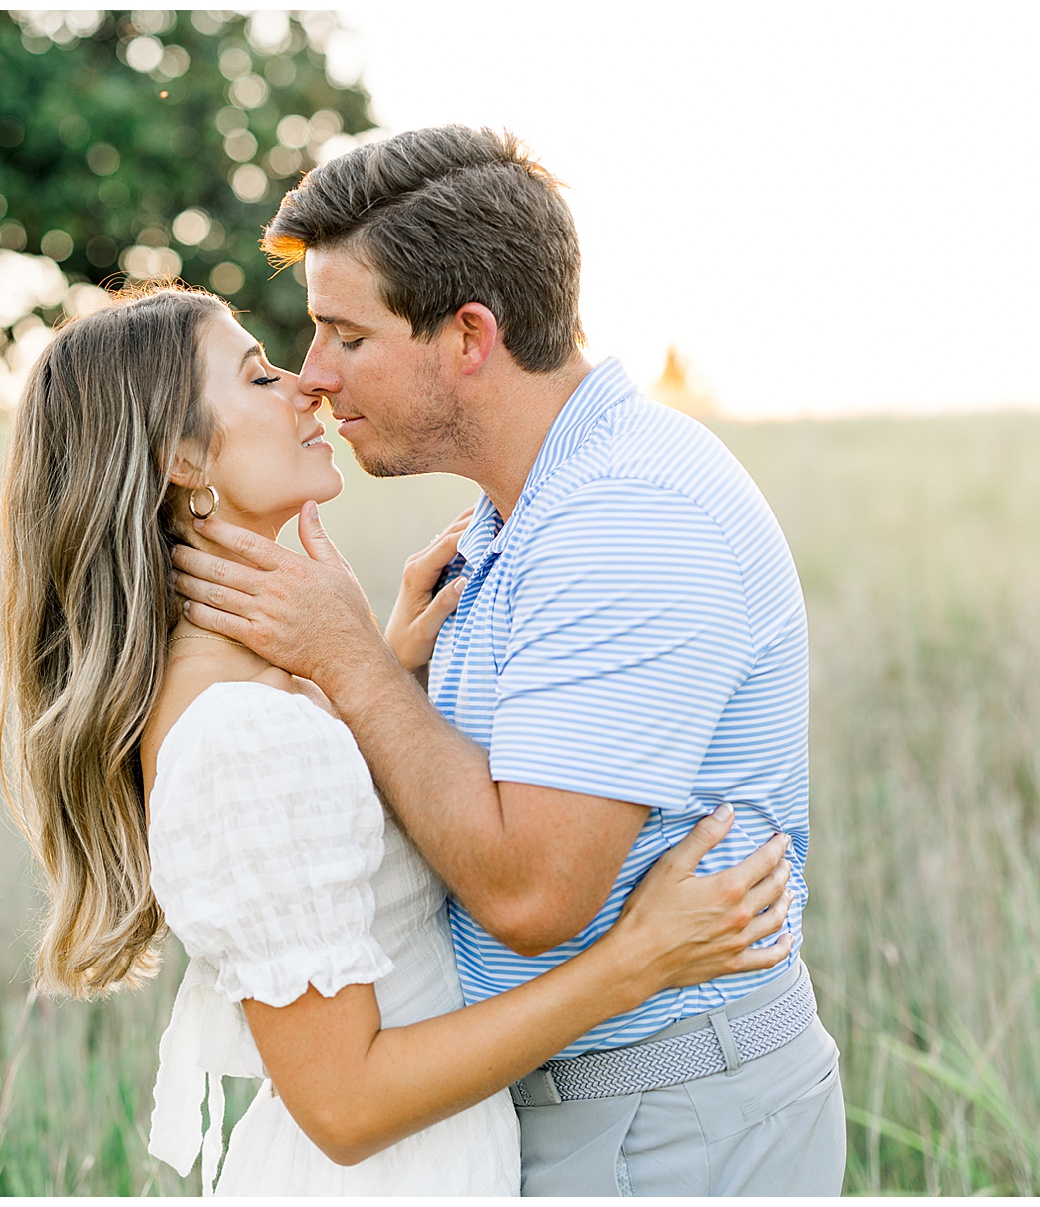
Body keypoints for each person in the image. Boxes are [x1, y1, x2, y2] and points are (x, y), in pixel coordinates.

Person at [0, 282, 799, 1195]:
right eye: (259, 376)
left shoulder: (264, 686)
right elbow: (345, 1105)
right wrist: (635, 959)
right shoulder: (243, 735)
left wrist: (378, 671)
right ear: (182, 458)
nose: (308, 385)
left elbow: (337, 862)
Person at [170, 126, 847, 1195]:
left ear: (469, 337)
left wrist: (349, 659)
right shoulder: (518, 513)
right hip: (561, 1099)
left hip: (656, 1122)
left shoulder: (623, 519)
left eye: (346, 337)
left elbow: (535, 893)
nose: (314, 379)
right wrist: (379, 661)